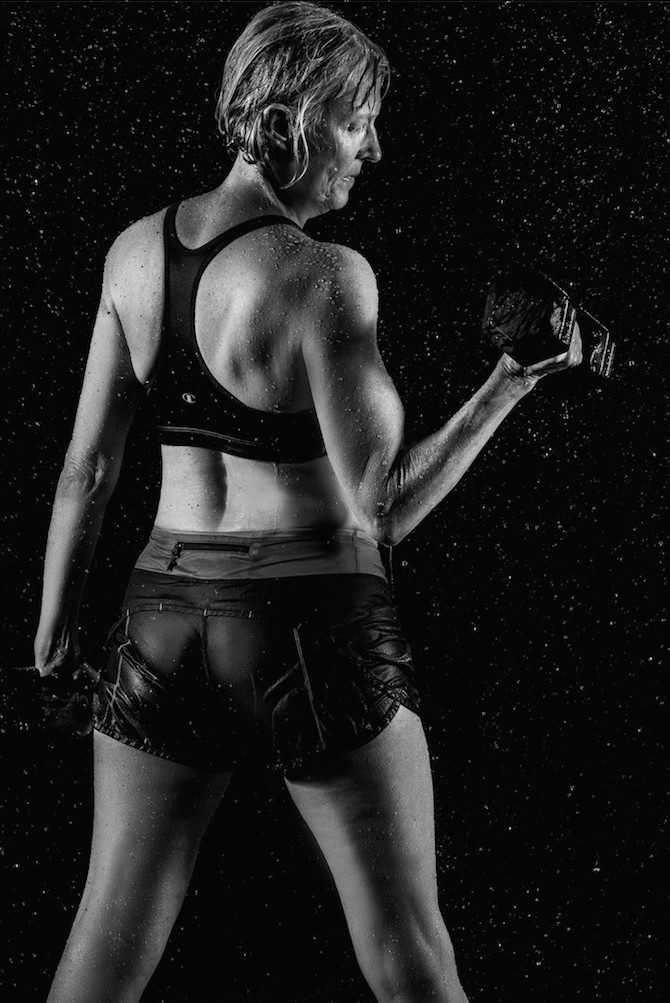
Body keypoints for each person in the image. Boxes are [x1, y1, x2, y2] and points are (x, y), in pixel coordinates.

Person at [33, 3, 581, 1001]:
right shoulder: (325, 276)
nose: (373, 150)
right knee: (410, 956)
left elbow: (86, 471)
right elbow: (384, 510)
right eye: (354, 121)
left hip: (158, 627)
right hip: (310, 625)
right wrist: (508, 385)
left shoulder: (131, 255)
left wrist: (53, 631)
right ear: (286, 122)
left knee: (101, 954)